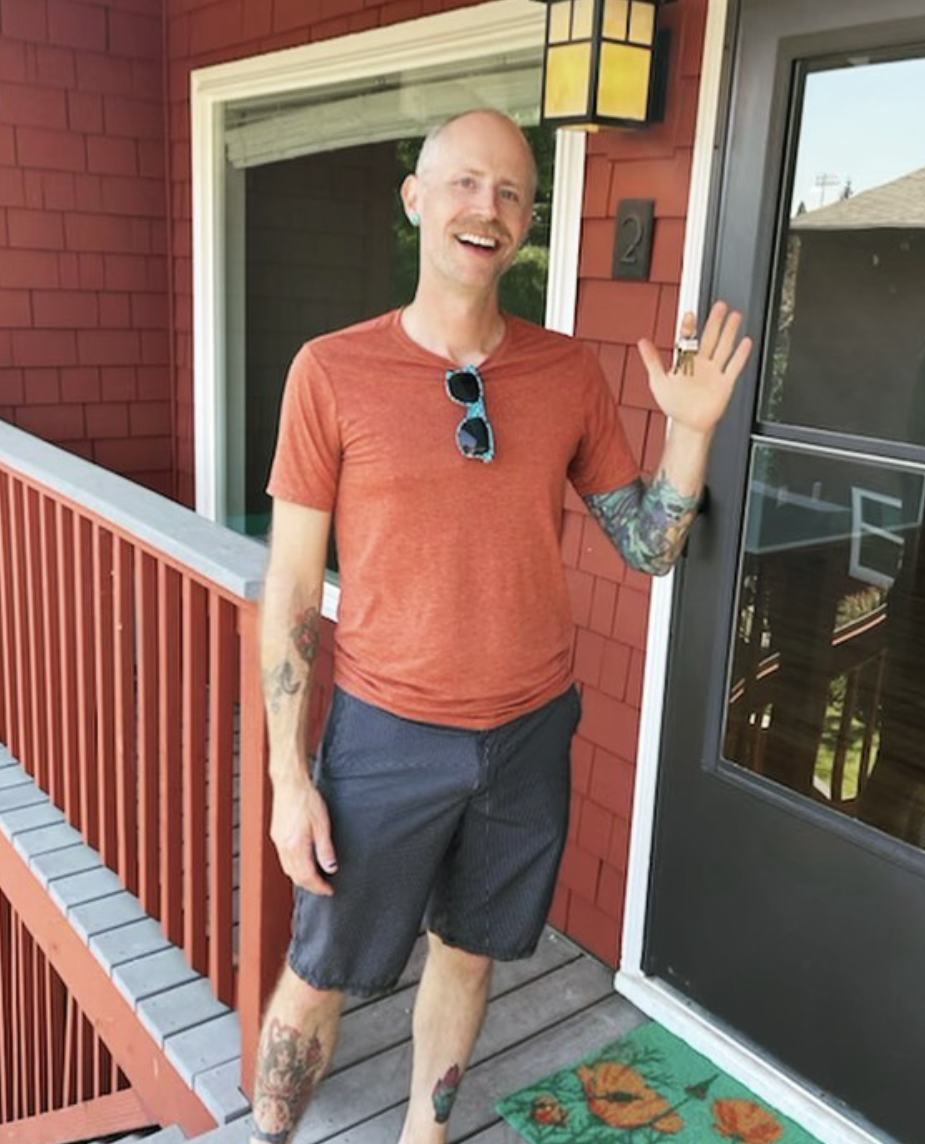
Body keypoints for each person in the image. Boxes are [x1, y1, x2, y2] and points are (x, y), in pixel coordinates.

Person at [252, 108, 752, 1144]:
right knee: (321, 966)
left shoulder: (566, 373)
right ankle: (267, 1131)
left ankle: (423, 1133)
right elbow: (295, 587)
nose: (490, 208)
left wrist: (690, 436)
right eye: (468, 184)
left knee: (470, 948)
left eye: (513, 192)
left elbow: (649, 546)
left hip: (527, 732)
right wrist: (289, 780)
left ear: (527, 219)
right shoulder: (330, 372)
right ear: (418, 200)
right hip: (385, 735)